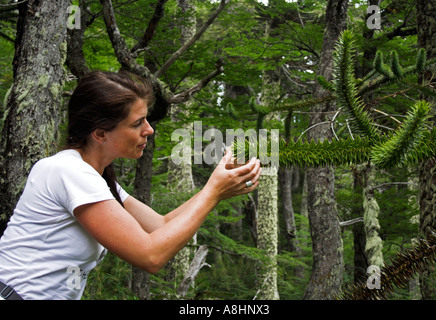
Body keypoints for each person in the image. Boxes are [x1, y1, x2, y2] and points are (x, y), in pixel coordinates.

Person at [0, 71, 261, 300]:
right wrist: (214, 192)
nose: (149, 130)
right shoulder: (69, 171)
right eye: (137, 123)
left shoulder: (96, 178)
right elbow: (151, 256)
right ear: (100, 134)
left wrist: (214, 187)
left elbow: (160, 226)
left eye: (146, 120)